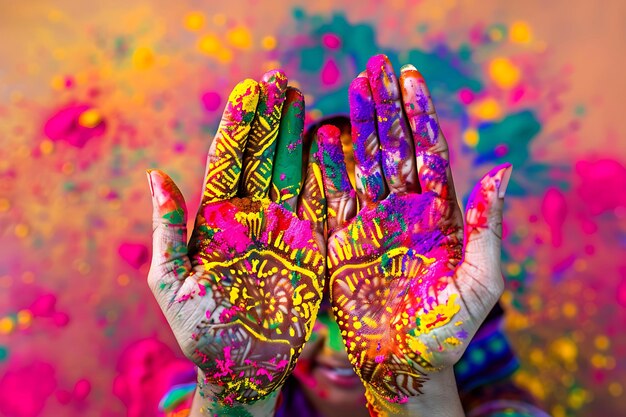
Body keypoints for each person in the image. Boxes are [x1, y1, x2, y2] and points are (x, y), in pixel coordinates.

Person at [146, 54, 548, 417]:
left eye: (358, 291)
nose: (343, 348)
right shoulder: (192, 394)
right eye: (315, 303)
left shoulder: (501, 405)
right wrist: (234, 395)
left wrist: (419, 391)